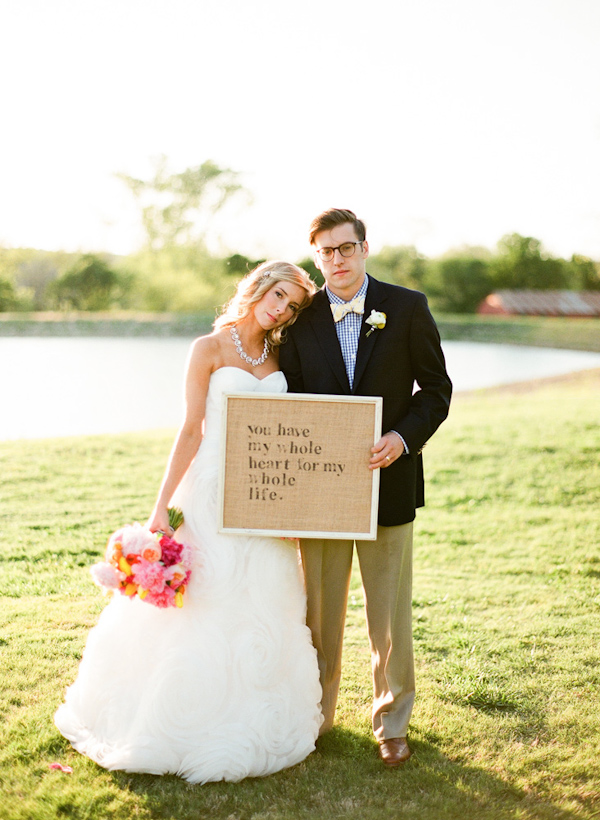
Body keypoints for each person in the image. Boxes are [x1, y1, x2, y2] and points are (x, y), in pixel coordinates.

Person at [54, 261, 323, 784]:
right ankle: (171, 718)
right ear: (257, 288)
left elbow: (294, 434)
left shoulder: (282, 354)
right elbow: (191, 429)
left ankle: (258, 717)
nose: (281, 309)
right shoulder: (208, 348)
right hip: (207, 493)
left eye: (291, 305)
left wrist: (295, 504)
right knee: (203, 602)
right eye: (278, 295)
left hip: (262, 497)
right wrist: (161, 508)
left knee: (263, 600)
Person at [279, 209, 452, 767]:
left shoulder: (406, 307)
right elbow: (293, 401)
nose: (336, 260)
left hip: (390, 481)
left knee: (390, 616)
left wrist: (403, 438)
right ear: (316, 256)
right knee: (320, 612)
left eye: (345, 249)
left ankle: (392, 723)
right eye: (325, 252)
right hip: (321, 492)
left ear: (364, 248)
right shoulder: (300, 320)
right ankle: (317, 716)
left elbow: (437, 390)